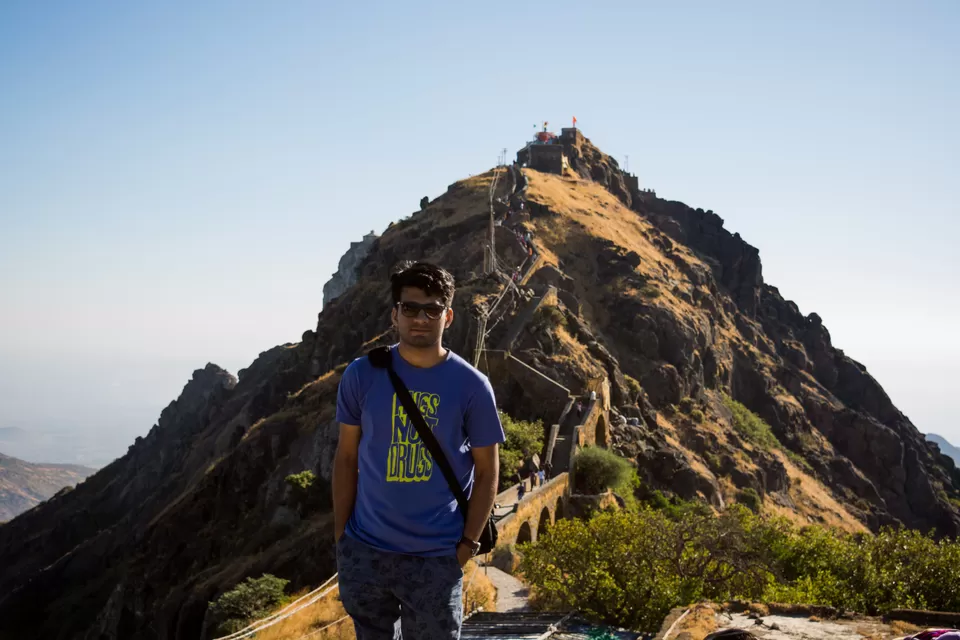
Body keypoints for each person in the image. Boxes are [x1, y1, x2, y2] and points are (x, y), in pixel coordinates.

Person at [333, 261, 505, 640]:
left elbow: (488, 471)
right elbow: (346, 458)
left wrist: (465, 547)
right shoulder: (361, 375)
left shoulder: (472, 386)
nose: (420, 318)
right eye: (410, 308)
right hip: (366, 552)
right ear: (395, 313)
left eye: (432, 310)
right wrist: (342, 539)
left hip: (435, 559)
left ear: (449, 316)